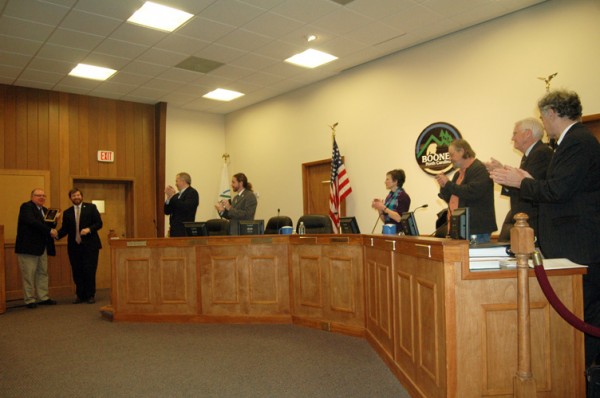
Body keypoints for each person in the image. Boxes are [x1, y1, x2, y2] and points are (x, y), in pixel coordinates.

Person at [490, 89, 600, 367]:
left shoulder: (578, 142)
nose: (543, 122)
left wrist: (521, 182)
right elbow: (558, 186)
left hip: (579, 245)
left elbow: (559, 190)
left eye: (543, 116)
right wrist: (526, 178)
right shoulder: (569, 143)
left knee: (585, 315)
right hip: (572, 243)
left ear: (552, 113)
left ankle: (584, 377)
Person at [485, 118, 553, 241]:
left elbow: (530, 189)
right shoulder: (530, 155)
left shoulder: (540, 153)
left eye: (515, 133)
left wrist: (506, 175)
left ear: (527, 134)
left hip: (533, 223)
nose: (512, 138)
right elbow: (522, 185)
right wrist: (501, 173)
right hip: (525, 222)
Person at [435, 139, 497, 243]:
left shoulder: (480, 169)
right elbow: (451, 200)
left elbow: (471, 192)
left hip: (476, 230)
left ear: (462, 151)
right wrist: (444, 186)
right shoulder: (457, 174)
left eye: (452, 155)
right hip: (459, 229)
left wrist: (449, 184)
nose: (450, 159)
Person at [57, 188, 103, 304]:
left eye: (78, 195)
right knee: (77, 271)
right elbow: (65, 229)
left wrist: (89, 229)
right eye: (73, 196)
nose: (76, 197)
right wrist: (56, 234)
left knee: (89, 270)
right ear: (70, 198)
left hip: (90, 246)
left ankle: (90, 295)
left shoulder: (91, 208)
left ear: (81, 196)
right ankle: (80, 295)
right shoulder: (67, 213)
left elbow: (99, 223)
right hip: (74, 247)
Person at [14, 188, 58, 308]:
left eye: (44, 196)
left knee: (43, 273)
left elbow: (48, 226)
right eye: (38, 195)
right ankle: (30, 299)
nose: (41, 197)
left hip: (42, 247)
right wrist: (50, 230)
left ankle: (43, 297)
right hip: (28, 247)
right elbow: (32, 222)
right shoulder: (26, 207)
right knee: (28, 274)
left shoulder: (45, 210)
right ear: (32, 196)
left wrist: (54, 221)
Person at [164, 172, 199, 237]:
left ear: (183, 181)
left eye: (177, 181)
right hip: (174, 230)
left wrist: (172, 196)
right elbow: (167, 211)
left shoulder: (192, 192)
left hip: (184, 231)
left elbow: (185, 207)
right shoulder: (176, 196)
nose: (176, 184)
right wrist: (168, 198)